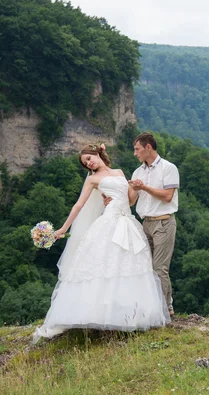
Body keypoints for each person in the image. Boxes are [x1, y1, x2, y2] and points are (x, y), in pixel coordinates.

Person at [33, 144, 170, 342]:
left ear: (97, 154)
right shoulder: (93, 179)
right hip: (109, 221)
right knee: (104, 264)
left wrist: (136, 187)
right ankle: (98, 313)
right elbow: (79, 204)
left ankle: (131, 314)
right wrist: (63, 228)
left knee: (130, 265)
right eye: (85, 162)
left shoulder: (119, 172)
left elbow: (129, 200)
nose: (89, 163)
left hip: (127, 220)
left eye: (89, 158)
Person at [105, 132, 179, 317]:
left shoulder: (169, 168)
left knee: (159, 268)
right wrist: (112, 200)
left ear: (148, 147)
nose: (134, 153)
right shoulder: (138, 172)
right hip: (145, 224)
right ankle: (167, 307)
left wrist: (144, 187)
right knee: (147, 267)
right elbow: (130, 201)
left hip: (164, 222)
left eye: (137, 149)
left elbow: (168, 196)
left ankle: (160, 312)